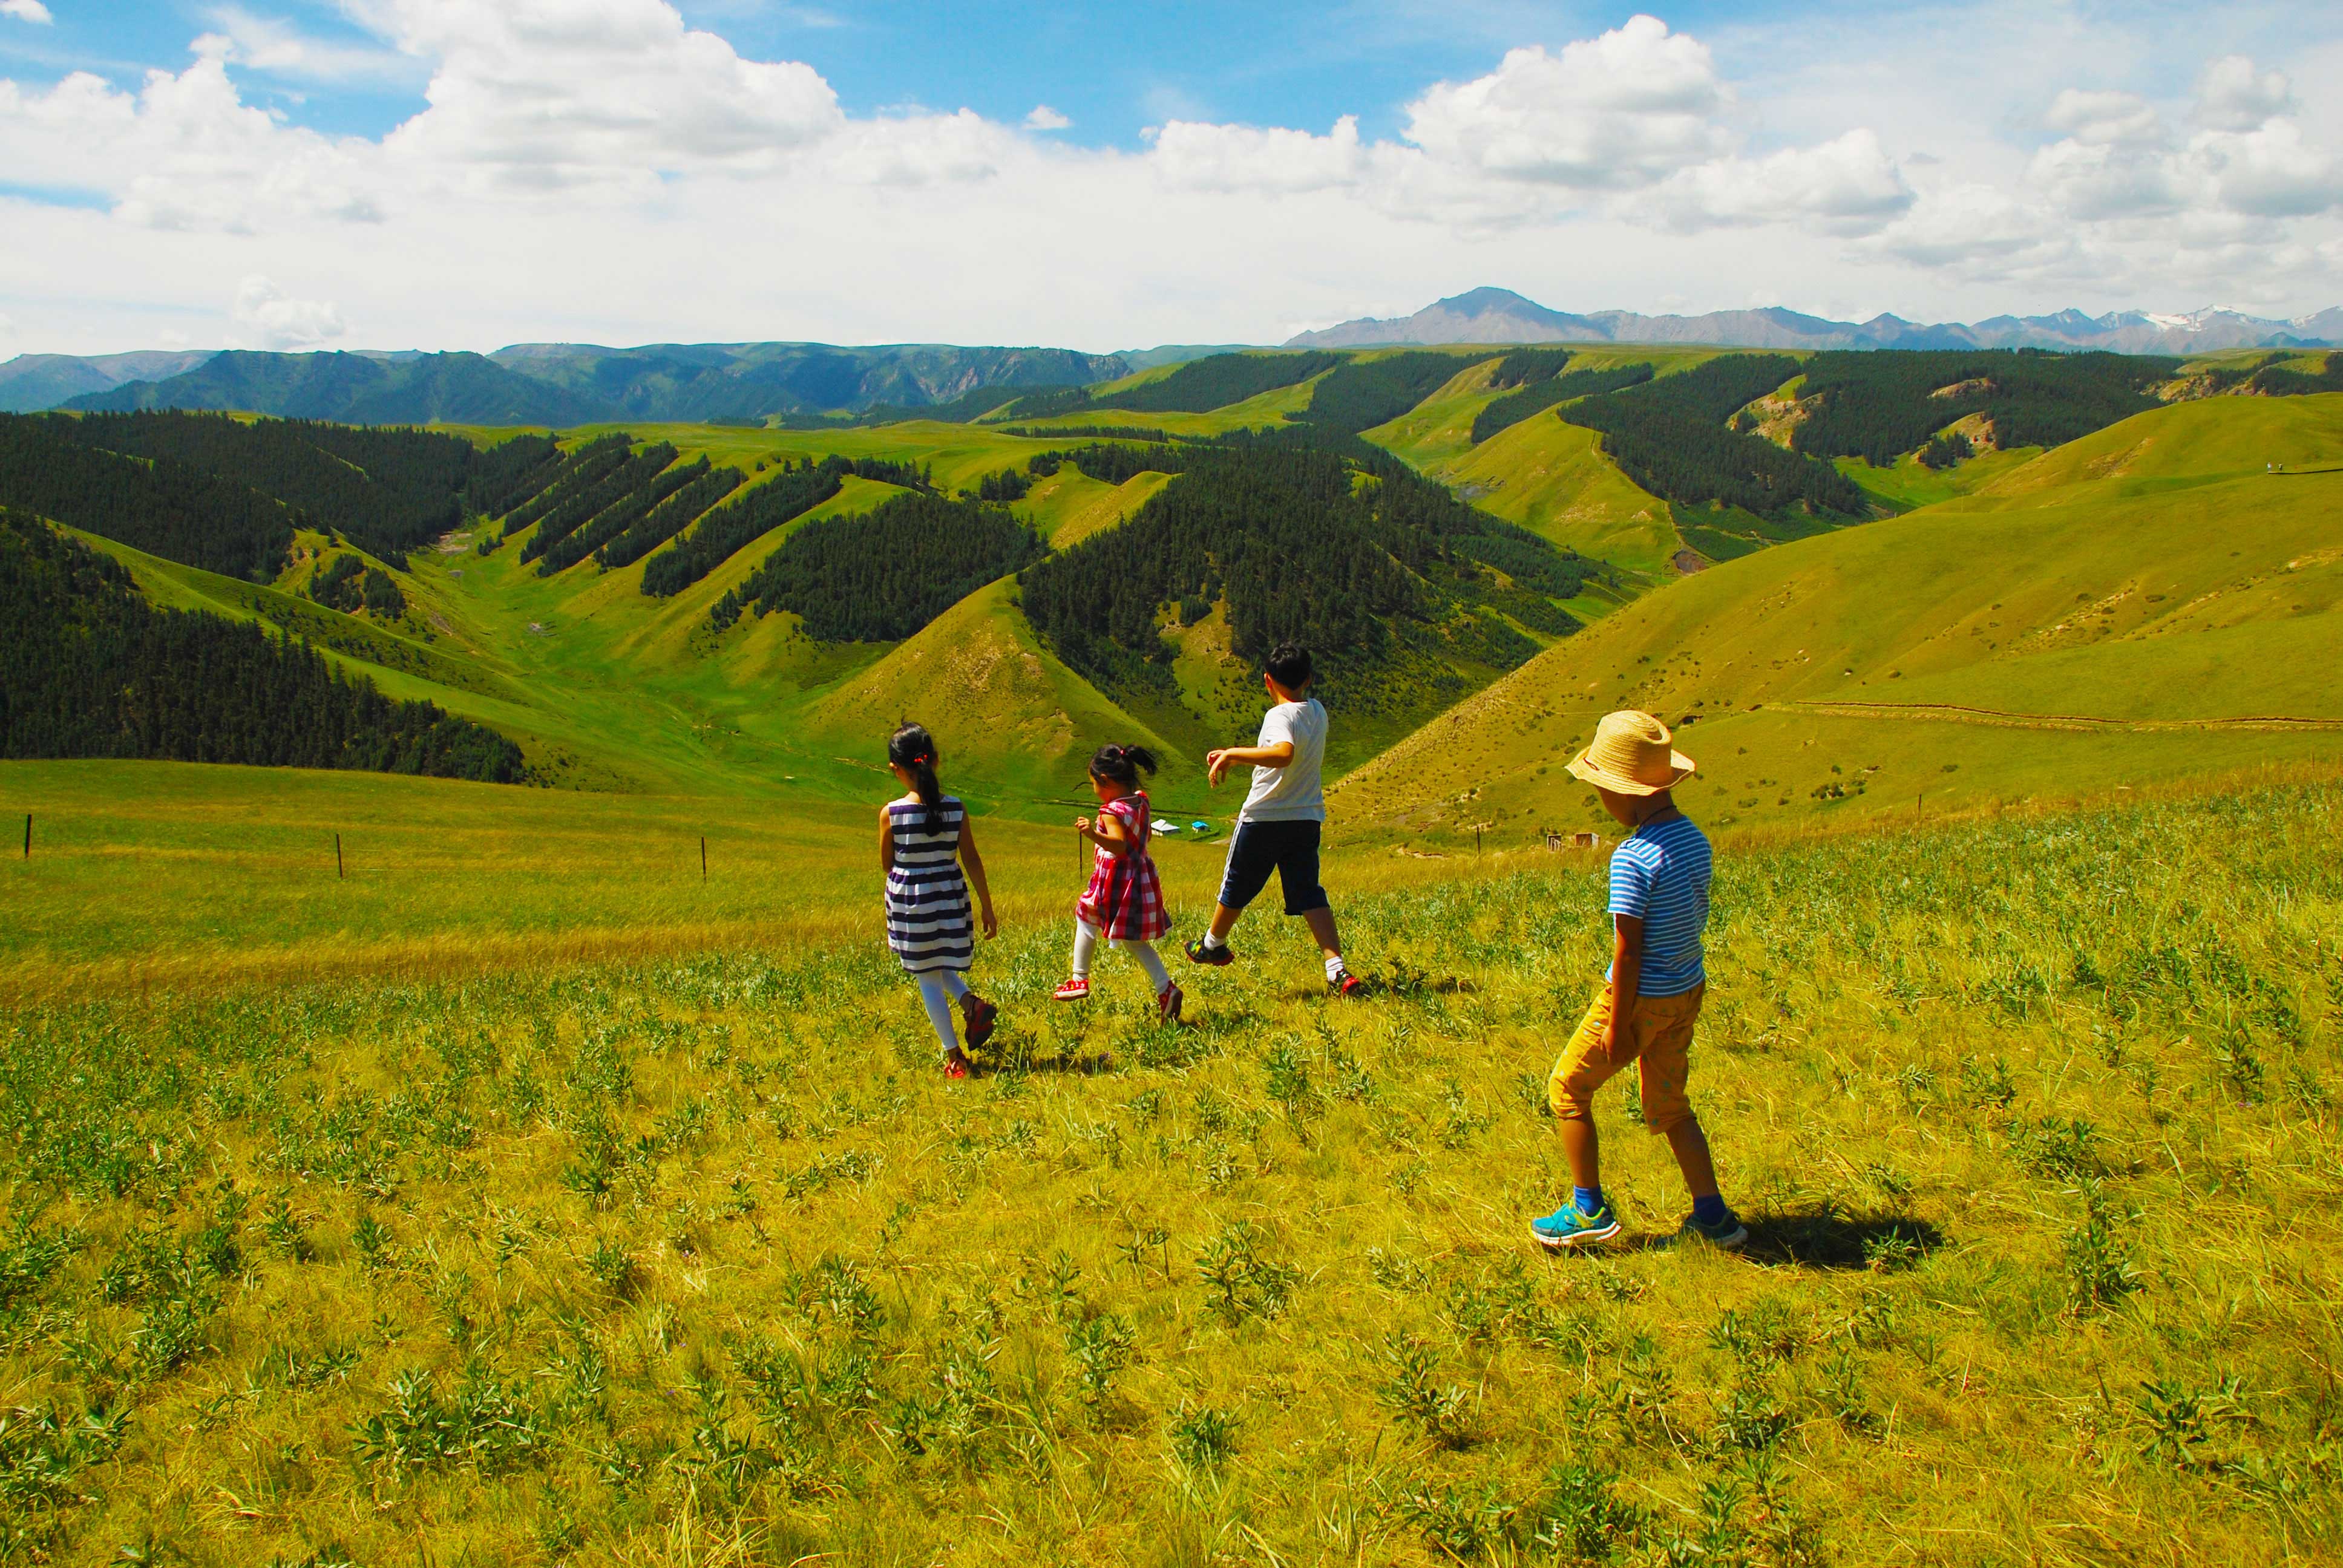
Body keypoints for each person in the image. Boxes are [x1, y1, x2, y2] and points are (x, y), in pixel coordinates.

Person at [1530, 710, 1745, 1250]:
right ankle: (1715, 1216)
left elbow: (1628, 953)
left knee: (1568, 1089)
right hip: (1685, 990)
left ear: (1625, 792)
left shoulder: (1633, 857)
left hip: (1639, 999)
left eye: (1601, 788)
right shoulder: (1695, 840)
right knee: (1671, 1106)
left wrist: (1619, 1024)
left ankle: (1588, 1211)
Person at [1184, 642, 1360, 997]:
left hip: (1265, 817)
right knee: (1309, 892)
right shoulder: (1319, 712)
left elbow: (1283, 754)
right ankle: (1337, 970)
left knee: (1236, 885)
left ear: (1267, 680)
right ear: (1308, 679)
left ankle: (1212, 945)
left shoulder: (1278, 716)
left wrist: (1233, 754)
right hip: (1306, 816)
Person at [879, 722, 1000, 1078]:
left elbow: (887, 864)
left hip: (911, 902)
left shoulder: (891, 814)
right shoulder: (956, 808)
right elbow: (972, 859)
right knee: (937, 962)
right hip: (949, 896)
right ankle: (970, 1005)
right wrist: (987, 906)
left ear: (896, 769)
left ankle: (954, 1056)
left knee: (926, 975)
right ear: (936, 761)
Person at [1054, 743, 1182, 1021]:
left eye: (1093, 784)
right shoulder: (1141, 800)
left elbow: (1120, 845)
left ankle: (1079, 978)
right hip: (1139, 877)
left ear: (1105, 781)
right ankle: (1166, 988)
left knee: (1085, 916)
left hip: (1116, 880)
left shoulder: (1110, 812)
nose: (1094, 790)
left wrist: (1092, 833)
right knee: (1132, 940)